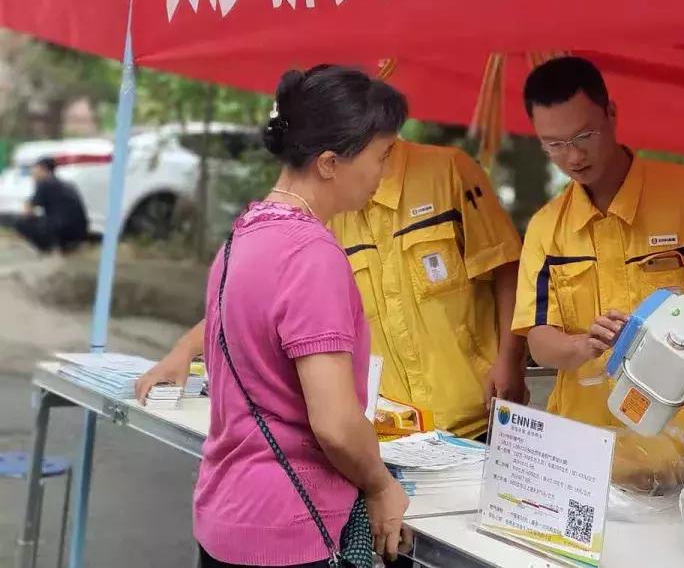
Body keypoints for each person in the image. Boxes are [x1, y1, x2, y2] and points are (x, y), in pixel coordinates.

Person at [137, 138, 528, 441]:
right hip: (389, 428)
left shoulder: (448, 171)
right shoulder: (325, 210)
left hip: (475, 415)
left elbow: (506, 265)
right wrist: (183, 351)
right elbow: (261, 298)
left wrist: (510, 359)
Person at [193, 65, 412, 568]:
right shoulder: (311, 253)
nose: (384, 172)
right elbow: (335, 423)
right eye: (382, 156)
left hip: (225, 511)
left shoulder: (240, 239)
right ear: (331, 163)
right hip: (290, 525)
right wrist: (381, 485)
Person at [511, 56, 684, 467]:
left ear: (612, 114)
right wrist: (582, 345)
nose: (573, 156)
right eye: (554, 145)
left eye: (584, 135)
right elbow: (539, 340)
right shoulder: (546, 227)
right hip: (587, 458)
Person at [13, 157, 88, 253]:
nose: (32, 172)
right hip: (79, 231)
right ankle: (64, 245)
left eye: (34, 168)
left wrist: (35, 184)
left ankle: (46, 247)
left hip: (62, 231)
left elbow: (27, 211)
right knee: (48, 218)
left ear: (42, 169)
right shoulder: (66, 183)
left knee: (21, 222)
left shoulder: (45, 183)